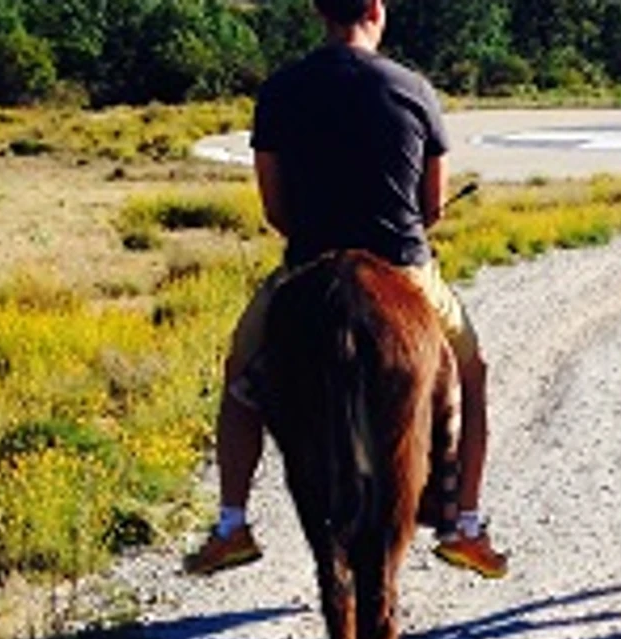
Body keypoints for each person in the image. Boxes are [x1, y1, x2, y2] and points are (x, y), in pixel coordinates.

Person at [184, 0, 507, 579]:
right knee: (472, 369)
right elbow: (430, 207)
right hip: (403, 266)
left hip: (309, 266)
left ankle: (232, 525)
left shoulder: (282, 89)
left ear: (319, 12)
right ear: (377, 10)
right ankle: (466, 523)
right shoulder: (415, 89)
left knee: (240, 374)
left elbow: (275, 208)